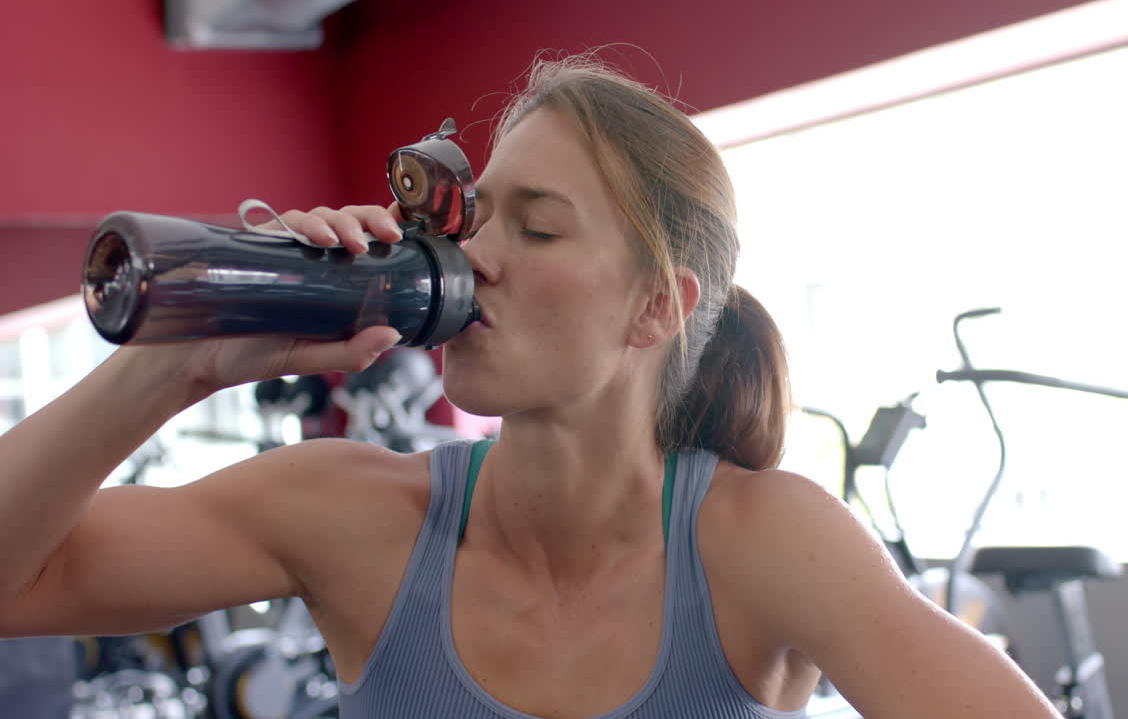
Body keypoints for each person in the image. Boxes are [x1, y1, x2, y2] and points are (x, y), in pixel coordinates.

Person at [0, 53, 1059, 717]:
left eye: (538, 228)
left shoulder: (763, 543)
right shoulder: (348, 513)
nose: (476, 259)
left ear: (657, 306)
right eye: (475, 221)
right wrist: (177, 366)